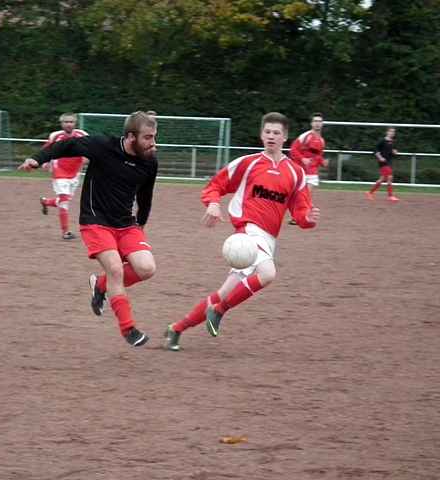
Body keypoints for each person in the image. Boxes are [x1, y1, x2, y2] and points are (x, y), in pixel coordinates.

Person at [164, 112, 321, 351]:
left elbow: (301, 210)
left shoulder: (296, 173)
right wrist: (214, 203)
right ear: (261, 134)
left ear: (285, 137)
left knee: (224, 293)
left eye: (276, 133)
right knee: (267, 273)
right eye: (267, 131)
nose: (271, 136)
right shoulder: (248, 163)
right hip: (247, 232)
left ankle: (176, 329)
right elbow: (215, 185)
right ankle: (219, 311)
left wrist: (308, 219)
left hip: (268, 239)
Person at [19, 111, 158, 347]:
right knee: (116, 269)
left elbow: (145, 196)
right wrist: (37, 158)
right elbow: (67, 146)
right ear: (131, 136)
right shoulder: (102, 145)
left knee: (146, 269)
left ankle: (100, 285)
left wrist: (141, 224)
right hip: (96, 220)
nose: (153, 143)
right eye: (148, 137)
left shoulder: (150, 161)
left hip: (126, 224)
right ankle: (129, 328)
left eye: (154, 136)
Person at [39, 113, 88, 240]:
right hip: (59, 171)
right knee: (64, 201)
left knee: (63, 201)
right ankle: (66, 232)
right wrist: (44, 162)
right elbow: (46, 150)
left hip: (75, 173)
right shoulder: (56, 136)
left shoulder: (82, 135)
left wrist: (89, 158)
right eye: (66, 122)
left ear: (75, 123)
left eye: (71, 122)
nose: (68, 124)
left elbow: (92, 148)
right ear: (61, 124)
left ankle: (45, 201)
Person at [288, 112, 327, 224]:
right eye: (315, 121)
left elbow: (318, 156)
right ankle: (300, 214)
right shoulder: (305, 136)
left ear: (322, 124)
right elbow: (293, 150)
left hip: (313, 172)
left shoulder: (322, 141)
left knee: (306, 195)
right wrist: (302, 159)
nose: (317, 124)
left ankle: (299, 217)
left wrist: (322, 162)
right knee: (302, 196)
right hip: (302, 171)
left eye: (319, 121)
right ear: (311, 123)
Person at [365, 127, 399, 202]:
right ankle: (390, 196)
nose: (392, 133)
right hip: (383, 162)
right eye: (391, 131)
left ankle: (369, 193)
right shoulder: (382, 141)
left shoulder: (392, 141)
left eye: (393, 132)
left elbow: (391, 153)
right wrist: (380, 157)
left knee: (382, 179)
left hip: (389, 162)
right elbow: (375, 150)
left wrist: (394, 152)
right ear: (387, 132)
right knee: (390, 177)